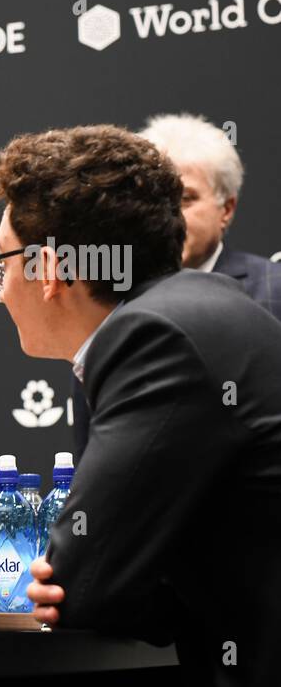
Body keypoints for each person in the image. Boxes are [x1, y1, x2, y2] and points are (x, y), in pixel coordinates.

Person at [0, 125, 281, 687]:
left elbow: (80, 586)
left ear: (51, 268)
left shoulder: (153, 337)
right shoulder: (202, 313)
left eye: (0, 266)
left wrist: (103, 575)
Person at [71, 112, 280, 455]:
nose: (169, 215)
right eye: (156, 201)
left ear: (226, 208)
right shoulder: (107, 300)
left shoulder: (274, 290)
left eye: (186, 199)